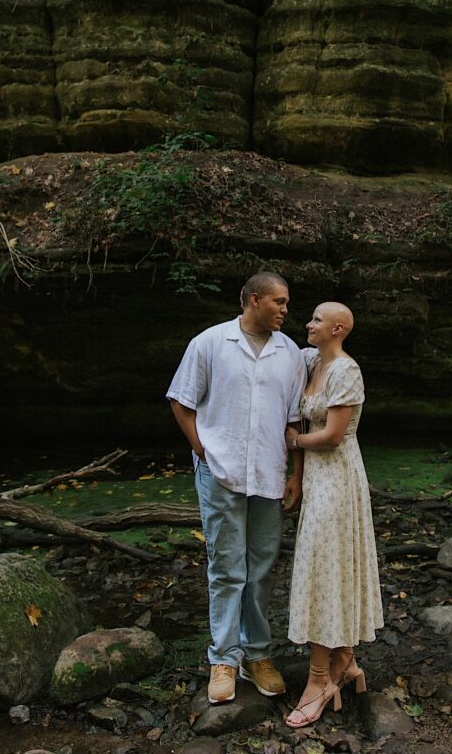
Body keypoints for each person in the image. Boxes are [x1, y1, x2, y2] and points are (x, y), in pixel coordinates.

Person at [166, 272, 306, 705]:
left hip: (268, 473)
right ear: (252, 299)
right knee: (226, 568)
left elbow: (294, 420)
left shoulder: (292, 356)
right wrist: (202, 450)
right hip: (221, 471)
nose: (285, 310)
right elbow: (180, 401)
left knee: (261, 568)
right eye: (278, 302)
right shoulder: (209, 343)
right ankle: (223, 658)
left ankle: (257, 655)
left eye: (287, 303)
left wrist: (296, 476)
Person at [284, 301, 384, 728]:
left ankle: (320, 680)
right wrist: (297, 476)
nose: (308, 324)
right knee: (323, 566)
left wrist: (293, 444)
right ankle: (344, 661)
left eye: (317, 320)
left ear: (338, 328)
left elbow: (331, 434)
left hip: (340, 481)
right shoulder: (311, 361)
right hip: (317, 481)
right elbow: (307, 424)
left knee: (323, 568)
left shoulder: (346, 370)